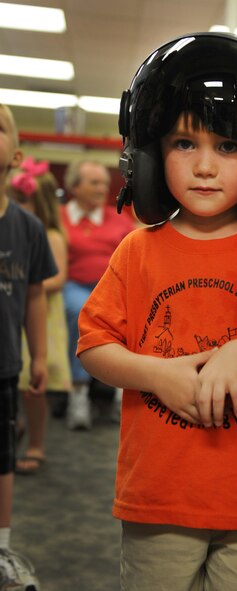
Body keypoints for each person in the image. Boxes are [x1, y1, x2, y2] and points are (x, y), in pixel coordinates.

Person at [77, 33, 237, 591]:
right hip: (160, 497)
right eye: (182, 145)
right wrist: (158, 374)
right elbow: (95, 344)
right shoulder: (138, 250)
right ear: (149, 156)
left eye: (227, 147)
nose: (203, 167)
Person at [0, 104, 57, 589]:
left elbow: (35, 294)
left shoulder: (28, 228)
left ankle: (0, 549)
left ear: (15, 155)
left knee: (2, 460)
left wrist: (39, 356)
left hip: (3, 364)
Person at [7, 157, 71, 475]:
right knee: (13, 381)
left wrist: (26, 281)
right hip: (13, 316)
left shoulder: (52, 236)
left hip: (41, 319)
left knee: (33, 386)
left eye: (19, 199)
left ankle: (36, 443)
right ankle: (14, 426)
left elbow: (57, 279)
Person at [61, 159, 134, 430]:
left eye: (104, 182)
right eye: (94, 182)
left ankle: (121, 393)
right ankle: (78, 395)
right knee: (80, 312)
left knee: (133, 317)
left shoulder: (118, 216)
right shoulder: (60, 217)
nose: (102, 188)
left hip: (113, 287)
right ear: (74, 187)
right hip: (75, 284)